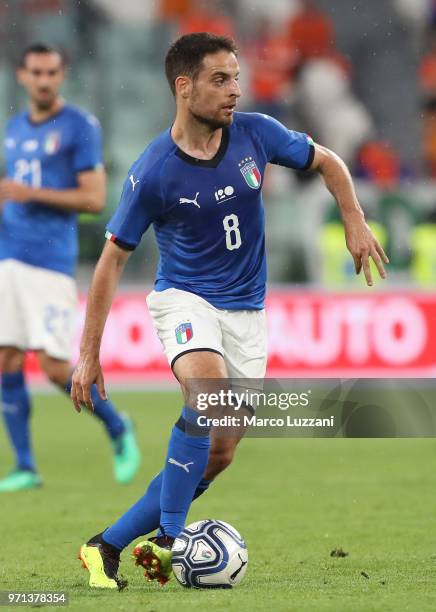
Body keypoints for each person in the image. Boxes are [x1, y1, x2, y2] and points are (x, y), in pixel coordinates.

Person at [72, 32, 388, 590]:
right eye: (221, 80)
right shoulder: (153, 172)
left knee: (217, 453)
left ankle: (106, 545)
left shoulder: (256, 134)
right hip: (185, 300)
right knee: (207, 399)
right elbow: (110, 263)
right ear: (184, 86)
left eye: (237, 77)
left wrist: (355, 220)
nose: (235, 90)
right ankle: (172, 539)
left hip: (248, 314)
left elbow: (330, 162)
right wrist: (88, 356)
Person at [0, 43, 141, 492]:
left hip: (49, 261)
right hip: (9, 256)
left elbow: (94, 199)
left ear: (62, 76)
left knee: (56, 368)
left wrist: (31, 194)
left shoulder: (80, 126)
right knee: (5, 357)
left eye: (51, 72)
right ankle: (25, 465)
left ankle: (118, 427)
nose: (44, 80)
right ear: (22, 76)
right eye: (36, 72)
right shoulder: (13, 128)